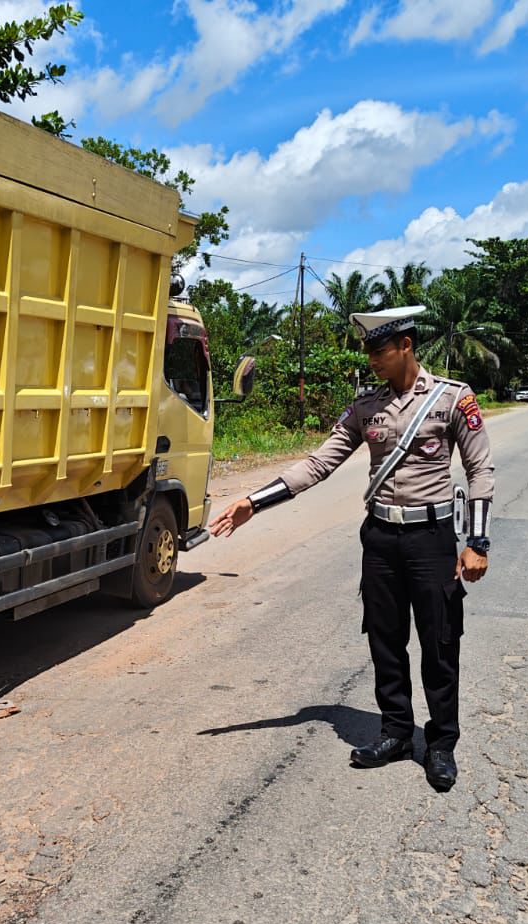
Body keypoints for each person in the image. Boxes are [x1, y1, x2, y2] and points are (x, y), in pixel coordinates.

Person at [208, 307, 495, 792]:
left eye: (380, 351)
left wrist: (477, 541)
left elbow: (480, 469)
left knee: (440, 644)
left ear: (405, 345)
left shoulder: (452, 398)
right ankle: (396, 733)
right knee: (385, 640)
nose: (373, 361)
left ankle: (441, 743)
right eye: (369, 353)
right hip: (381, 539)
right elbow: (318, 464)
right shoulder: (366, 407)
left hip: (432, 539)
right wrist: (253, 502)